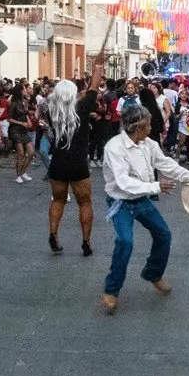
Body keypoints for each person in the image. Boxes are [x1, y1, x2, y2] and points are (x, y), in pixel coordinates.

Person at [100, 104, 189, 315]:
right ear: (137, 126)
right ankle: (111, 290)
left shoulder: (148, 144)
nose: (151, 127)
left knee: (163, 234)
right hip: (121, 201)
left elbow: (166, 164)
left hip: (141, 198)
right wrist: (155, 186)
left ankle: (153, 273)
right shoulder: (114, 147)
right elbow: (123, 182)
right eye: (148, 124)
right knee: (125, 242)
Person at [45, 56, 106, 257]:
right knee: (85, 202)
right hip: (78, 163)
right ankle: (86, 241)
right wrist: (98, 66)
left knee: (58, 200)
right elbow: (94, 87)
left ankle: (53, 234)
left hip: (58, 163)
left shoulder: (51, 111)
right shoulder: (83, 107)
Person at [6, 88, 35, 184]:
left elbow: (26, 114)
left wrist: (29, 121)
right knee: (21, 153)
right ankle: (18, 174)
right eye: (23, 90)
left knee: (31, 152)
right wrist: (21, 123)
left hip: (24, 129)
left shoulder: (25, 102)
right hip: (15, 129)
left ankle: (23, 172)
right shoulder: (13, 103)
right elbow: (9, 119)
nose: (26, 91)